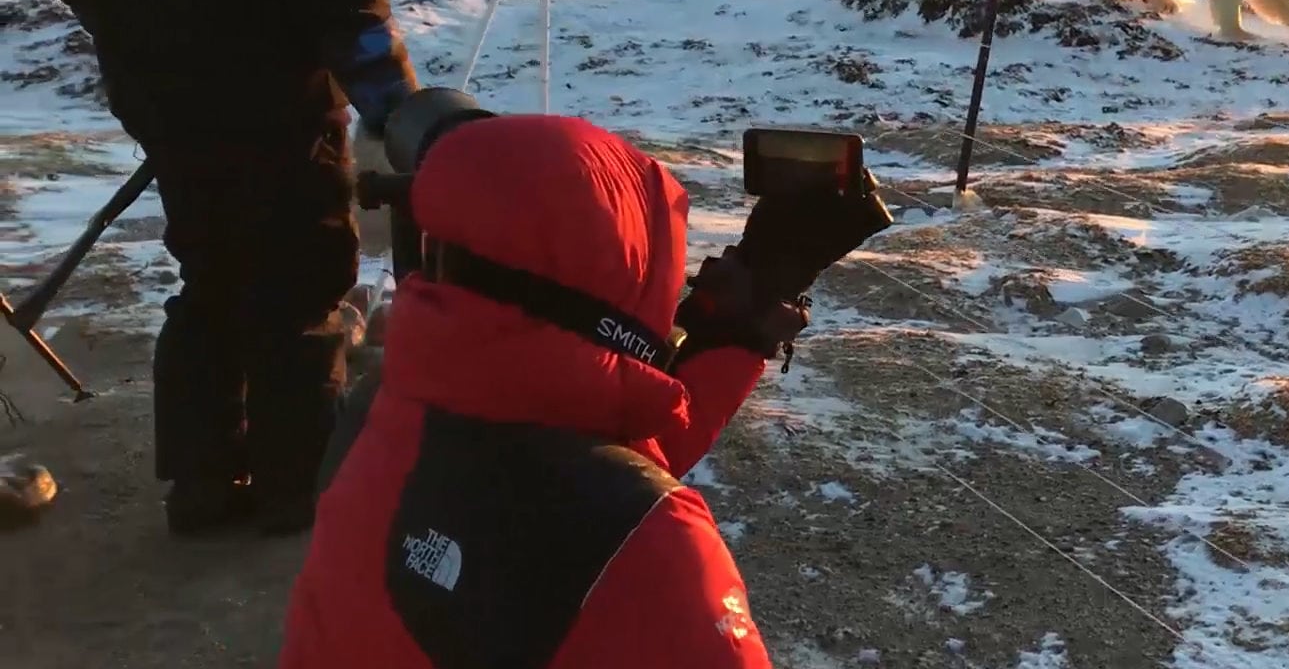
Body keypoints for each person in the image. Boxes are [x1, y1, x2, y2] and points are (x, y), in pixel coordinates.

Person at [278, 114, 887, 668]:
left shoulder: (384, 410)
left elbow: (577, 461)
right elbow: (592, 500)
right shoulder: (646, 548)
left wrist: (740, 318)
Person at [41, 0, 419, 536]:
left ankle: (201, 486)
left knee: (209, 276)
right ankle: (296, 493)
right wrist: (404, 114)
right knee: (303, 284)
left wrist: (146, 55)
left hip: (164, 107)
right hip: (279, 114)